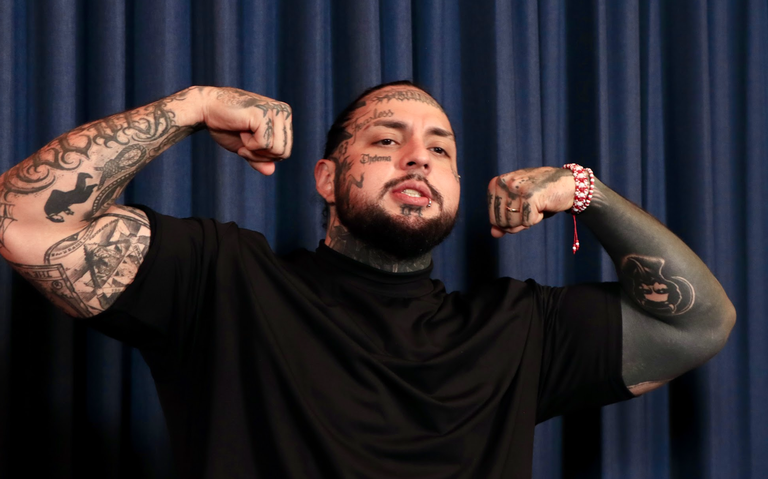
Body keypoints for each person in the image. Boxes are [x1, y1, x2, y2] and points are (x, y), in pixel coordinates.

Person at [0, 81, 735, 478]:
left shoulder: (518, 330)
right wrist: (188, 107)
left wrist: (585, 193)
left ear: (456, 185)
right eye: (387, 140)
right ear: (326, 178)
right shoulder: (224, 280)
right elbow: (22, 220)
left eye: (440, 150)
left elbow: (699, 322)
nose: (417, 157)